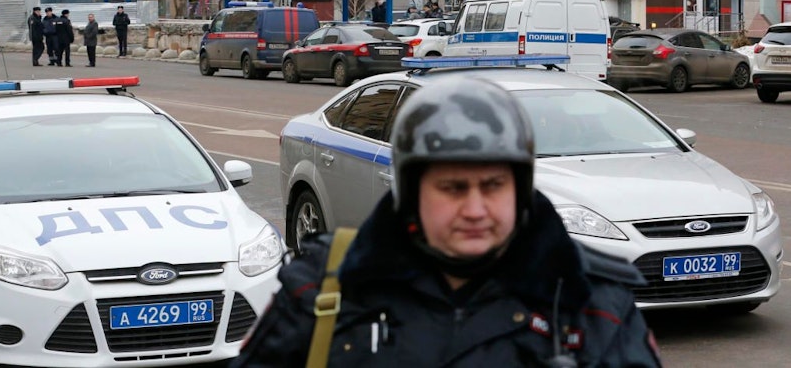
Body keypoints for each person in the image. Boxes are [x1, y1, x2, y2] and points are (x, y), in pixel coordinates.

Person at [232, 77, 661, 367]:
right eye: (453, 189)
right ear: (413, 193)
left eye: (493, 186)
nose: (475, 209)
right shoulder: (326, 290)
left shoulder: (591, 305)